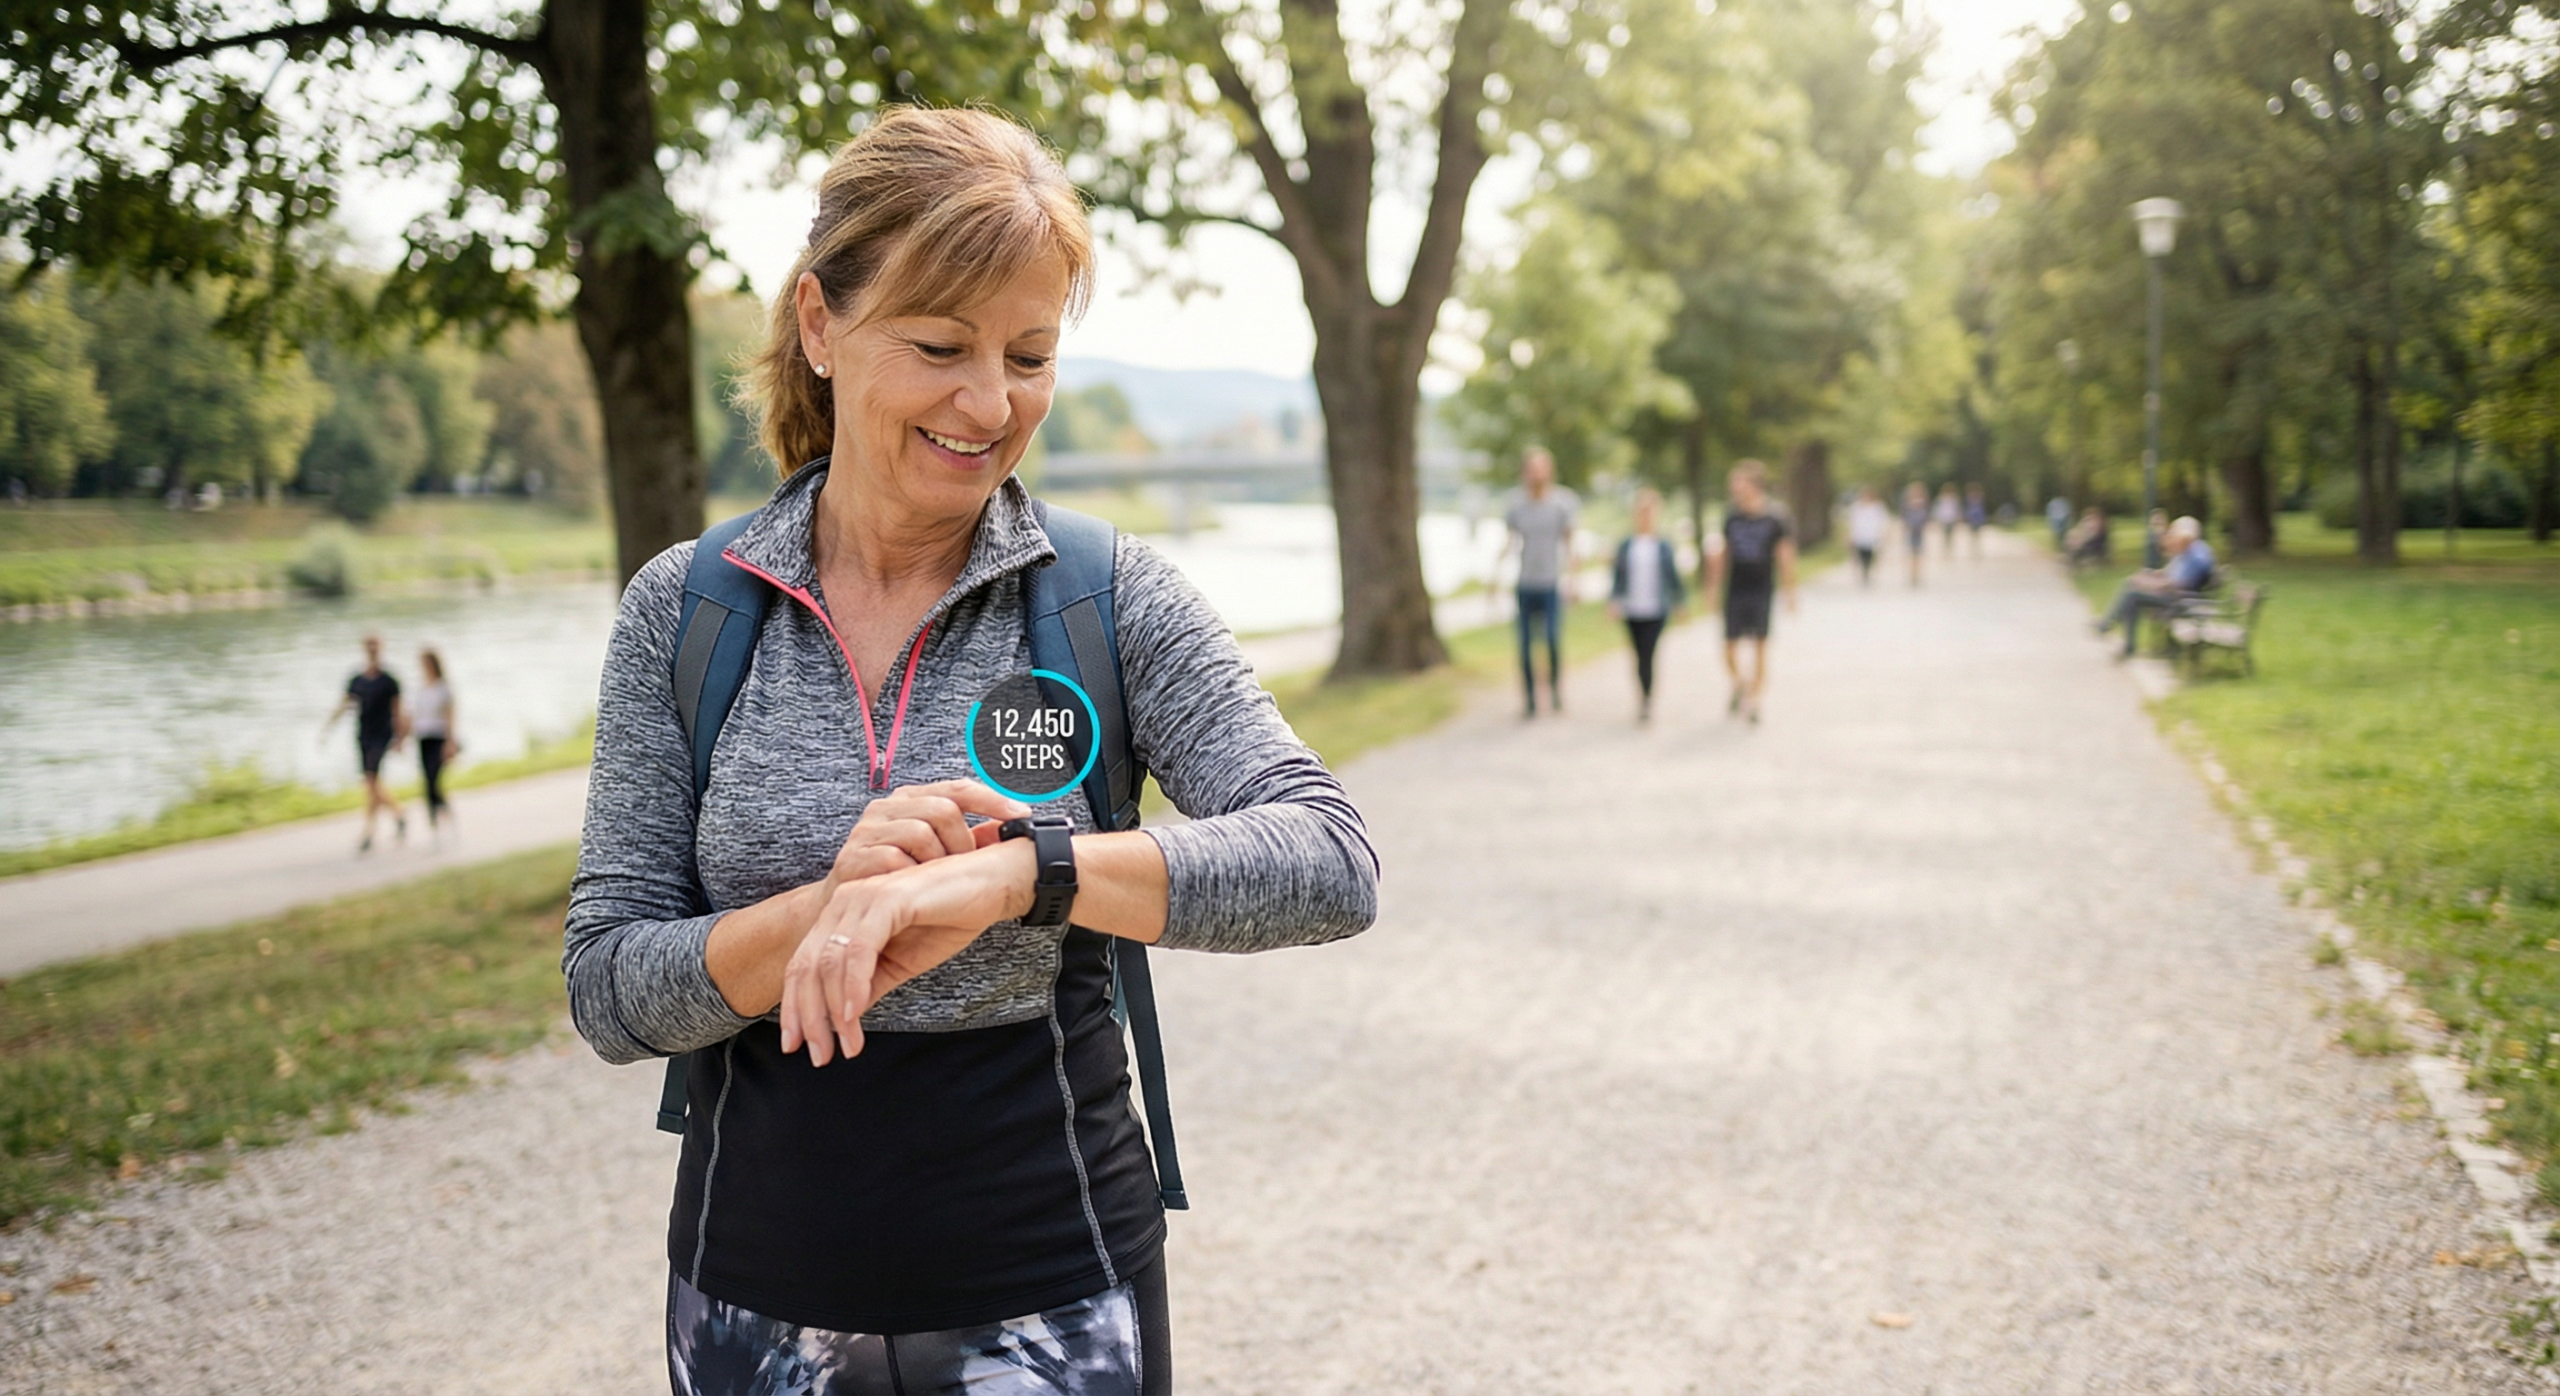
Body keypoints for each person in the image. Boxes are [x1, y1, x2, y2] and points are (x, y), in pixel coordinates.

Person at [564, 108, 1378, 1396]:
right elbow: (610, 989)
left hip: (1053, 1297)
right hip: (752, 1304)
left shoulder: (1107, 598)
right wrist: (830, 911)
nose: (990, 403)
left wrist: (1023, 873)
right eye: (940, 346)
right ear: (820, 325)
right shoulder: (690, 607)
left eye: (1031, 354)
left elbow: (1330, 860)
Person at [1707, 460, 1798, 723]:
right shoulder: (1731, 516)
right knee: (1729, 647)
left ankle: (1754, 700)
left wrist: (1790, 592)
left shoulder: (1775, 517)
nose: (1734, 488)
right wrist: (1713, 586)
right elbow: (1724, 553)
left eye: (1739, 482)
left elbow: (1785, 556)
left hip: (1761, 590)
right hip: (1735, 589)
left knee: (1760, 647)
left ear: (1755, 485)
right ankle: (1740, 683)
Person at [1500, 446, 1579, 718]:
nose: (1536, 473)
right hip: (1525, 584)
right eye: (1531, 468)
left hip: (1550, 583)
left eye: (1540, 467)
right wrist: (1494, 577)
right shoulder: (1516, 505)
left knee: (1553, 640)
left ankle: (1555, 691)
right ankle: (1530, 699)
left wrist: (1574, 581)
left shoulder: (1562, 503)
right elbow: (1509, 542)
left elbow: (1569, 544)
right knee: (1524, 645)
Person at [320, 634, 407, 853]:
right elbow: (343, 704)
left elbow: (399, 711)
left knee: (370, 780)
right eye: (368, 645)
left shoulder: (389, 680)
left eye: (375, 645)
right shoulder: (357, 680)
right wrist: (327, 728)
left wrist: (400, 738)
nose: (372, 649)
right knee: (371, 781)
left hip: (382, 735)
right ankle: (398, 814)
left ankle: (369, 831)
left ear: (381, 648)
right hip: (363, 736)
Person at [1608, 487, 1686, 723]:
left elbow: (1673, 576)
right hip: (1632, 609)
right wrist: (1613, 601)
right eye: (1641, 510)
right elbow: (1618, 577)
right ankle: (1642, 696)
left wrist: (1679, 602)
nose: (1645, 515)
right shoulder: (1626, 545)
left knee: (1649, 654)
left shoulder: (1663, 546)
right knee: (1637, 655)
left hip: (1656, 609)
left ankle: (1647, 700)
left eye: (1649, 510)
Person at [2095, 515, 2215, 658]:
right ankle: (2114, 629)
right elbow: (2168, 575)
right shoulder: (2186, 551)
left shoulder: (2197, 553)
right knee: (2130, 585)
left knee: (2132, 596)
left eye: (2176, 533)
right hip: (2174, 597)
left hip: (2181, 601)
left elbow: (2178, 585)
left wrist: (2150, 584)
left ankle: (2114, 630)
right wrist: (2148, 577)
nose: (2174, 537)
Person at [411, 648, 459, 841]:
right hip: (423, 737)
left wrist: (450, 741)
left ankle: (444, 814)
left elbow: (450, 715)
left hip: (438, 737)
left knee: (434, 779)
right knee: (427, 782)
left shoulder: (443, 688)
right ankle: (435, 823)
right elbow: (415, 715)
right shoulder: (422, 688)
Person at [1848, 485, 1890, 587]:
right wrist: (1850, 535)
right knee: (1861, 556)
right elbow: (1852, 522)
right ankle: (1864, 573)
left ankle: (1868, 573)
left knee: (1871, 556)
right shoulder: (1856, 508)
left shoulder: (1878, 507)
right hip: (1860, 535)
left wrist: (1884, 534)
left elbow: (1884, 521)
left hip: (1873, 535)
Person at [1901, 481, 1930, 588]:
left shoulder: (1923, 504)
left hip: (1919, 531)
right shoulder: (1907, 504)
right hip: (1910, 531)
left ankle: (1916, 574)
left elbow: (1925, 518)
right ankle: (1912, 574)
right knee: (1912, 554)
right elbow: (1904, 518)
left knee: (1917, 554)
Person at [1932, 482, 1961, 557]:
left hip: (1951, 519)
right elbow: (1938, 509)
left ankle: (1949, 548)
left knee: (1950, 535)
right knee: (1944, 534)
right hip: (1944, 519)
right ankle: (1945, 549)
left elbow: (1957, 509)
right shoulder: (1941, 499)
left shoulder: (1954, 500)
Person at [1963, 484, 1988, 558]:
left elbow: (1983, 507)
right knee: (1972, 532)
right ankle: (1972, 546)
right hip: (1971, 516)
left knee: (1978, 532)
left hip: (1978, 516)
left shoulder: (1980, 497)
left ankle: (1976, 546)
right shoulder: (1968, 497)